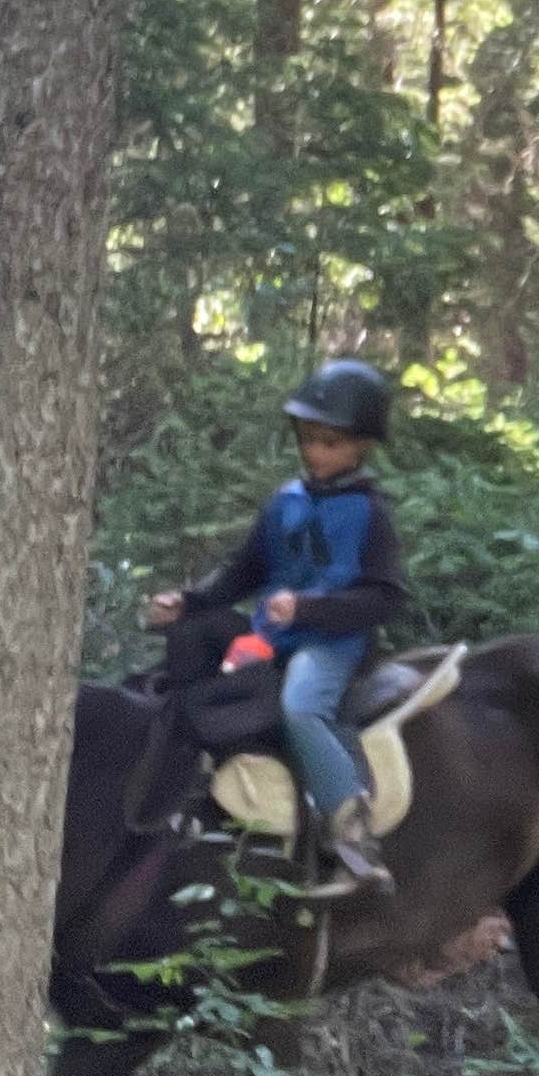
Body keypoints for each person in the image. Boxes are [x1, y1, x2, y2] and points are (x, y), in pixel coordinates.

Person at [148, 359, 408, 900]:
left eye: (331, 443)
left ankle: (353, 839)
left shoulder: (369, 512)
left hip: (332, 643)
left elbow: (384, 598)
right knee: (195, 677)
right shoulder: (285, 500)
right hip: (271, 635)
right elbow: (245, 570)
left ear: (361, 447)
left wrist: (310, 611)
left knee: (299, 706)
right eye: (309, 440)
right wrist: (190, 601)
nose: (316, 452)